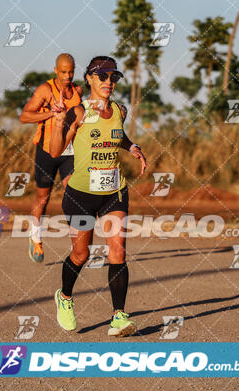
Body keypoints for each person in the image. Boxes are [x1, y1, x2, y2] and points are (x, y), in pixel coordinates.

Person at [49, 56, 147, 337]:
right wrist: (57, 123)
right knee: (81, 253)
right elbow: (56, 151)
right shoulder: (78, 113)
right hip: (80, 195)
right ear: (89, 78)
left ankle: (119, 316)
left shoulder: (120, 110)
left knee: (118, 250)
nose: (108, 82)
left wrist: (133, 147)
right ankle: (65, 297)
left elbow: (118, 135)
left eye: (113, 77)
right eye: (102, 76)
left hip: (114, 192)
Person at [20, 53, 83, 263]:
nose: (68, 75)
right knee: (43, 198)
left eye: (71, 71)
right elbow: (25, 116)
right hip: (46, 150)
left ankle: (79, 247)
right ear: (56, 70)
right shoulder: (45, 90)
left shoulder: (77, 91)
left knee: (73, 192)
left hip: (68, 152)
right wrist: (51, 113)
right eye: (64, 71)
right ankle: (35, 237)